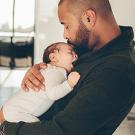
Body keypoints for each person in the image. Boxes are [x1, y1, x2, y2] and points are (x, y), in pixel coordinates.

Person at [0, 0, 135, 134]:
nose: (64, 35)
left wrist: (5, 128)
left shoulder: (116, 72)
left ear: (89, 18)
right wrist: (39, 70)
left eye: (67, 26)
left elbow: (61, 131)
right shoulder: (89, 47)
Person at [0, 42, 80, 123]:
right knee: (36, 126)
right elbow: (53, 94)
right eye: (70, 52)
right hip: (17, 112)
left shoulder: (49, 71)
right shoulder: (56, 72)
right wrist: (69, 84)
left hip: (11, 109)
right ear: (53, 57)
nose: (76, 55)